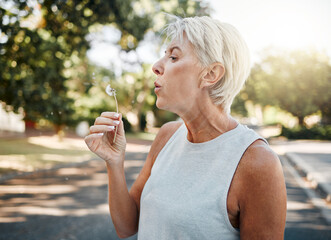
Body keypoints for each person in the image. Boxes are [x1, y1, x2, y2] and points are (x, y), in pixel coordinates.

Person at [85, 15, 287, 240]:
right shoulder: (166, 136)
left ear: (210, 74)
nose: (156, 66)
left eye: (173, 56)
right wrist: (114, 162)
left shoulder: (257, 163)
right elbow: (127, 226)